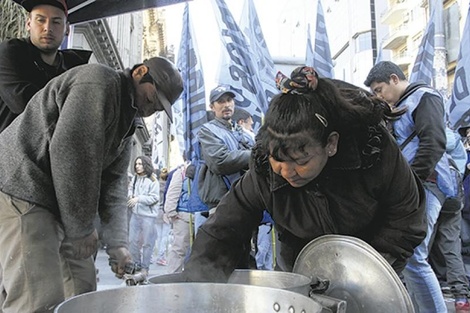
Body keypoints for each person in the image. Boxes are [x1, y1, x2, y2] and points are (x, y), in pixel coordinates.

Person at [182, 66, 426, 283]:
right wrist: (197, 288)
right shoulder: (264, 168)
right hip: (299, 262)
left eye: (301, 161)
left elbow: (406, 218)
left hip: (371, 262)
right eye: (278, 160)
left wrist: (362, 275)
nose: (287, 172)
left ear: (331, 144)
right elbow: (224, 228)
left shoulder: (372, 149)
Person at [0, 56, 183, 312]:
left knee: (82, 291)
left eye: (159, 108)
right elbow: (72, 152)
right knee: (37, 296)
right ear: (140, 72)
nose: (151, 109)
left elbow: (115, 185)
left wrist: (118, 243)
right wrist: (81, 228)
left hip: (59, 198)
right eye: (153, 98)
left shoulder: (127, 122)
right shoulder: (98, 82)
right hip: (23, 186)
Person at [364, 60, 454, 313]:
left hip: (427, 185)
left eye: (379, 89)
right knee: (409, 258)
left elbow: (433, 143)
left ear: (394, 79)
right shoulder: (401, 106)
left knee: (414, 256)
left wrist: (411, 182)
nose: (378, 96)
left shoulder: (424, 97)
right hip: (414, 188)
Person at [0, 0, 92, 133]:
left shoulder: (75, 68)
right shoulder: (11, 52)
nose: (47, 28)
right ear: (28, 24)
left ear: (67, 29)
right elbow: (22, 103)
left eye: (56, 22)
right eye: (40, 20)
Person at [127, 156, 160, 277]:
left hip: (148, 216)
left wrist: (138, 199)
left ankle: (145, 268)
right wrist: (130, 196)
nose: (137, 166)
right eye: (136, 164)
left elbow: (155, 198)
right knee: (132, 241)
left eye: (140, 164)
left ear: (146, 165)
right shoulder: (135, 178)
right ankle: (136, 265)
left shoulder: (152, 180)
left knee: (147, 243)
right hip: (135, 214)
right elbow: (130, 189)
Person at [164, 163, 193, 273]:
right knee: (179, 249)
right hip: (183, 216)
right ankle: (173, 279)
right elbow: (172, 192)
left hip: (199, 214)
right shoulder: (181, 172)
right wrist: (171, 211)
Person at [153, 167, 171, 266]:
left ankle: (156, 256)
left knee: (158, 236)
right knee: (165, 236)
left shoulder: (156, 186)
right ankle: (161, 256)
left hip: (156, 212)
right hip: (165, 212)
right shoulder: (168, 187)